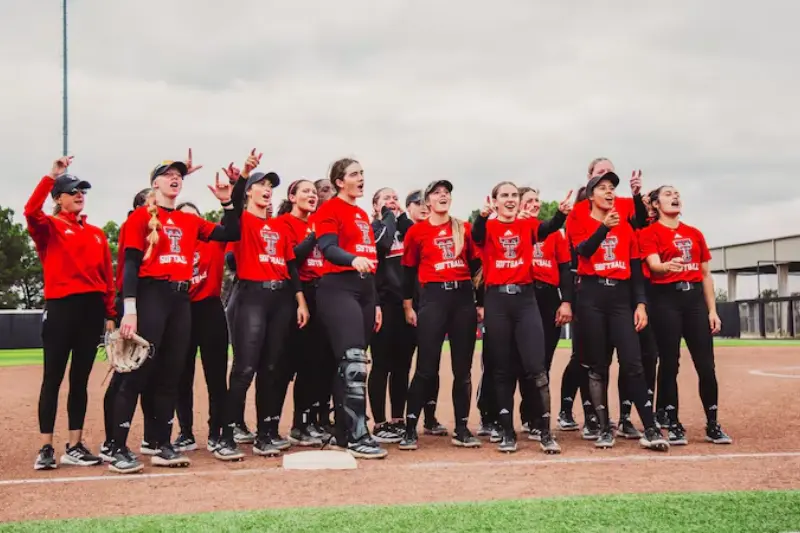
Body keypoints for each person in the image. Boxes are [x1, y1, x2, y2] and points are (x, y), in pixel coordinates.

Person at [110, 157, 241, 474]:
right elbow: (129, 265)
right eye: (167, 175)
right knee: (137, 372)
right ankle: (117, 447)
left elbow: (232, 231)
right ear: (154, 183)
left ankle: (161, 443)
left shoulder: (190, 222)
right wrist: (129, 310)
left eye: (178, 175)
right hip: (151, 295)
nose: (174, 179)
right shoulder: (140, 218)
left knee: (170, 373)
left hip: (181, 300)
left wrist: (227, 201)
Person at [213, 155, 310, 461]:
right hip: (251, 296)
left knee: (272, 368)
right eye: (262, 184)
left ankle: (265, 433)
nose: (267, 189)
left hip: (280, 298)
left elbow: (291, 266)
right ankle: (225, 434)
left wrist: (300, 301)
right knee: (245, 368)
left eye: (270, 185)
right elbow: (234, 199)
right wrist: (244, 174)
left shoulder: (278, 227)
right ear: (249, 192)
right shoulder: (240, 221)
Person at [566, 171, 668, 451]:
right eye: (603, 188)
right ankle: (603, 427)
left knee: (633, 362)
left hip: (620, 296)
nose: (609, 192)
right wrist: (604, 228)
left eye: (612, 187)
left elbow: (636, 268)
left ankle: (649, 427)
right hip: (591, 294)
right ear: (591, 194)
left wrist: (641, 304)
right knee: (598, 365)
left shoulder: (625, 224)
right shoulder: (578, 217)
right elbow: (583, 252)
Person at [25, 156, 116, 470]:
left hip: (91, 311)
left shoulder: (97, 234)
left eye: (82, 191)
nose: (79, 194)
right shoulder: (49, 228)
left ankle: (74, 445)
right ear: (58, 198)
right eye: (73, 190)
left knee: (80, 381)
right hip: (61, 308)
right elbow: (30, 212)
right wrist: (51, 176)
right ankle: (45, 447)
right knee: (52, 379)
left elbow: (108, 278)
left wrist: (110, 314)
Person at [471, 182, 571, 453]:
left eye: (514, 195)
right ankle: (506, 431)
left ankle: (545, 431)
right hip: (497, 300)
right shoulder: (488, 226)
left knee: (536, 366)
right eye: (504, 195)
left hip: (526, 300)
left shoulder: (527, 225)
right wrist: (482, 215)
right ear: (495, 200)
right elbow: (478, 235)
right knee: (502, 368)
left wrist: (561, 214)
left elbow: (547, 228)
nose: (510, 199)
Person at [639, 186, 732, 445]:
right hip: (666, 299)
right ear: (655, 204)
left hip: (694, 303)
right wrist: (665, 267)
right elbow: (654, 265)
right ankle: (674, 422)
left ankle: (713, 423)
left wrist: (712, 310)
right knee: (670, 363)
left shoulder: (694, 233)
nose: (675, 197)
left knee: (706, 365)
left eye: (676, 193)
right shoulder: (649, 233)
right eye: (667, 194)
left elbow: (705, 274)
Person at [312, 158, 387, 459]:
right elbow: (327, 247)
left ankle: (344, 431)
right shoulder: (329, 209)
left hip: (365, 289)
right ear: (339, 182)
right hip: (338, 286)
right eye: (354, 174)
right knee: (354, 363)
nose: (361, 178)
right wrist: (351, 259)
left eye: (362, 173)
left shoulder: (360, 213)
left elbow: (369, 256)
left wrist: (377, 302)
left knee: (353, 364)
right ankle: (358, 435)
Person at [399, 180, 482, 451]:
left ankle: (461, 427)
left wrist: (479, 302)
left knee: (463, 369)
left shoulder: (463, 228)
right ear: (428, 202)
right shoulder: (417, 232)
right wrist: (408, 306)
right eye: (437, 193)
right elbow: (408, 271)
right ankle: (410, 427)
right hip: (433, 298)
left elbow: (476, 265)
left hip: (462, 298)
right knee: (426, 367)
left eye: (447, 192)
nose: (443, 195)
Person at [100, 188, 156, 463]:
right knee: (126, 372)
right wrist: (118, 311)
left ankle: (150, 437)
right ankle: (112, 441)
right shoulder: (133, 226)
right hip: (132, 303)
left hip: (151, 302)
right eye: (151, 201)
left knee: (146, 374)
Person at [275, 180, 332, 446]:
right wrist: (313, 235)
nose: (312, 195)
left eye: (313, 192)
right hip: (299, 293)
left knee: (317, 364)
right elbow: (292, 259)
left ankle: (307, 422)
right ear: (292, 196)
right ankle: (289, 425)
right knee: (293, 363)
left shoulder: (319, 222)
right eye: (305, 191)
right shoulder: (285, 223)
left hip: (322, 293)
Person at [172, 202, 230, 454]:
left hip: (210, 309)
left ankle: (217, 431)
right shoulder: (173, 245)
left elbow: (233, 222)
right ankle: (185, 432)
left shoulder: (214, 241)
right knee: (181, 377)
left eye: (195, 218)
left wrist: (229, 196)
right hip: (181, 310)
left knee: (216, 377)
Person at [517, 187, 574, 441]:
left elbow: (564, 270)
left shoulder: (553, 233)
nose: (534, 204)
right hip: (522, 295)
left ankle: (539, 416)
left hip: (549, 297)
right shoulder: (511, 229)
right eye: (528, 200)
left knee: (543, 361)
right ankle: (524, 415)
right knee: (521, 361)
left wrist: (566, 303)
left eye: (537, 200)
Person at [368, 187, 415, 443]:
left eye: (395, 198)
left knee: (402, 366)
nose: (393, 201)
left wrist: (401, 217)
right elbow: (381, 247)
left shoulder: (404, 228)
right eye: (386, 198)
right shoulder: (374, 229)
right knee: (382, 364)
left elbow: (415, 239)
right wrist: (387, 216)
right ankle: (379, 422)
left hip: (405, 305)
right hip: (382, 305)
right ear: (375, 206)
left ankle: (398, 419)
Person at [404, 189, 447, 436]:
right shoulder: (410, 232)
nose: (422, 207)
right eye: (417, 203)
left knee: (433, 366)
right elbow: (406, 273)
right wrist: (407, 305)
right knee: (421, 366)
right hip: (413, 306)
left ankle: (430, 418)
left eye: (424, 202)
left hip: (436, 303)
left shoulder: (448, 229)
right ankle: (405, 420)